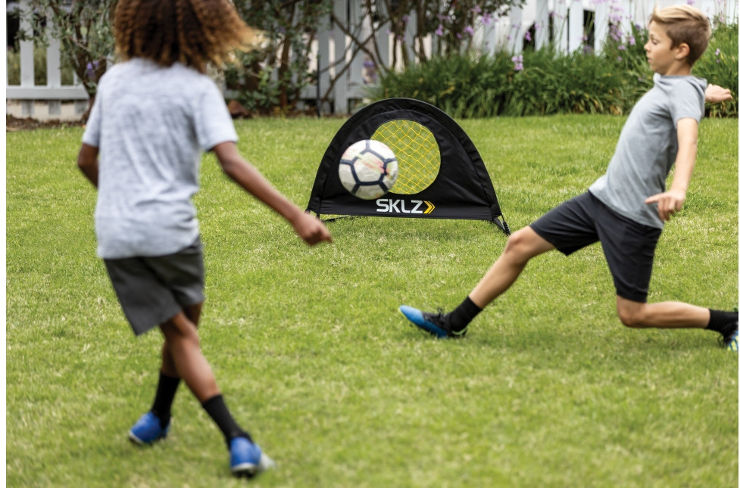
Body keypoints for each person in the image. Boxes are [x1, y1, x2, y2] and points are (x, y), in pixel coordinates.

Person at [76, 0, 332, 478]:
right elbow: (231, 162)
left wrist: (120, 204)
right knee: (183, 334)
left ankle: (158, 417)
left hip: (120, 235)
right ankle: (238, 438)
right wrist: (297, 217)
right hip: (173, 234)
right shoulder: (197, 88)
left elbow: (86, 161)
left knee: (181, 331)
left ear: (134, 22)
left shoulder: (113, 82)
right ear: (205, 27)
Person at [400, 5, 737, 350]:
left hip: (631, 216)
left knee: (632, 313)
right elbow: (683, 93)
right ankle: (451, 324)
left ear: (680, 50)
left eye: (654, 41)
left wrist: (679, 188)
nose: (646, 47)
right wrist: (702, 92)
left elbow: (688, 138)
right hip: (600, 199)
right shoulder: (679, 86)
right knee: (518, 244)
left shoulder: (682, 93)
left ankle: (730, 321)